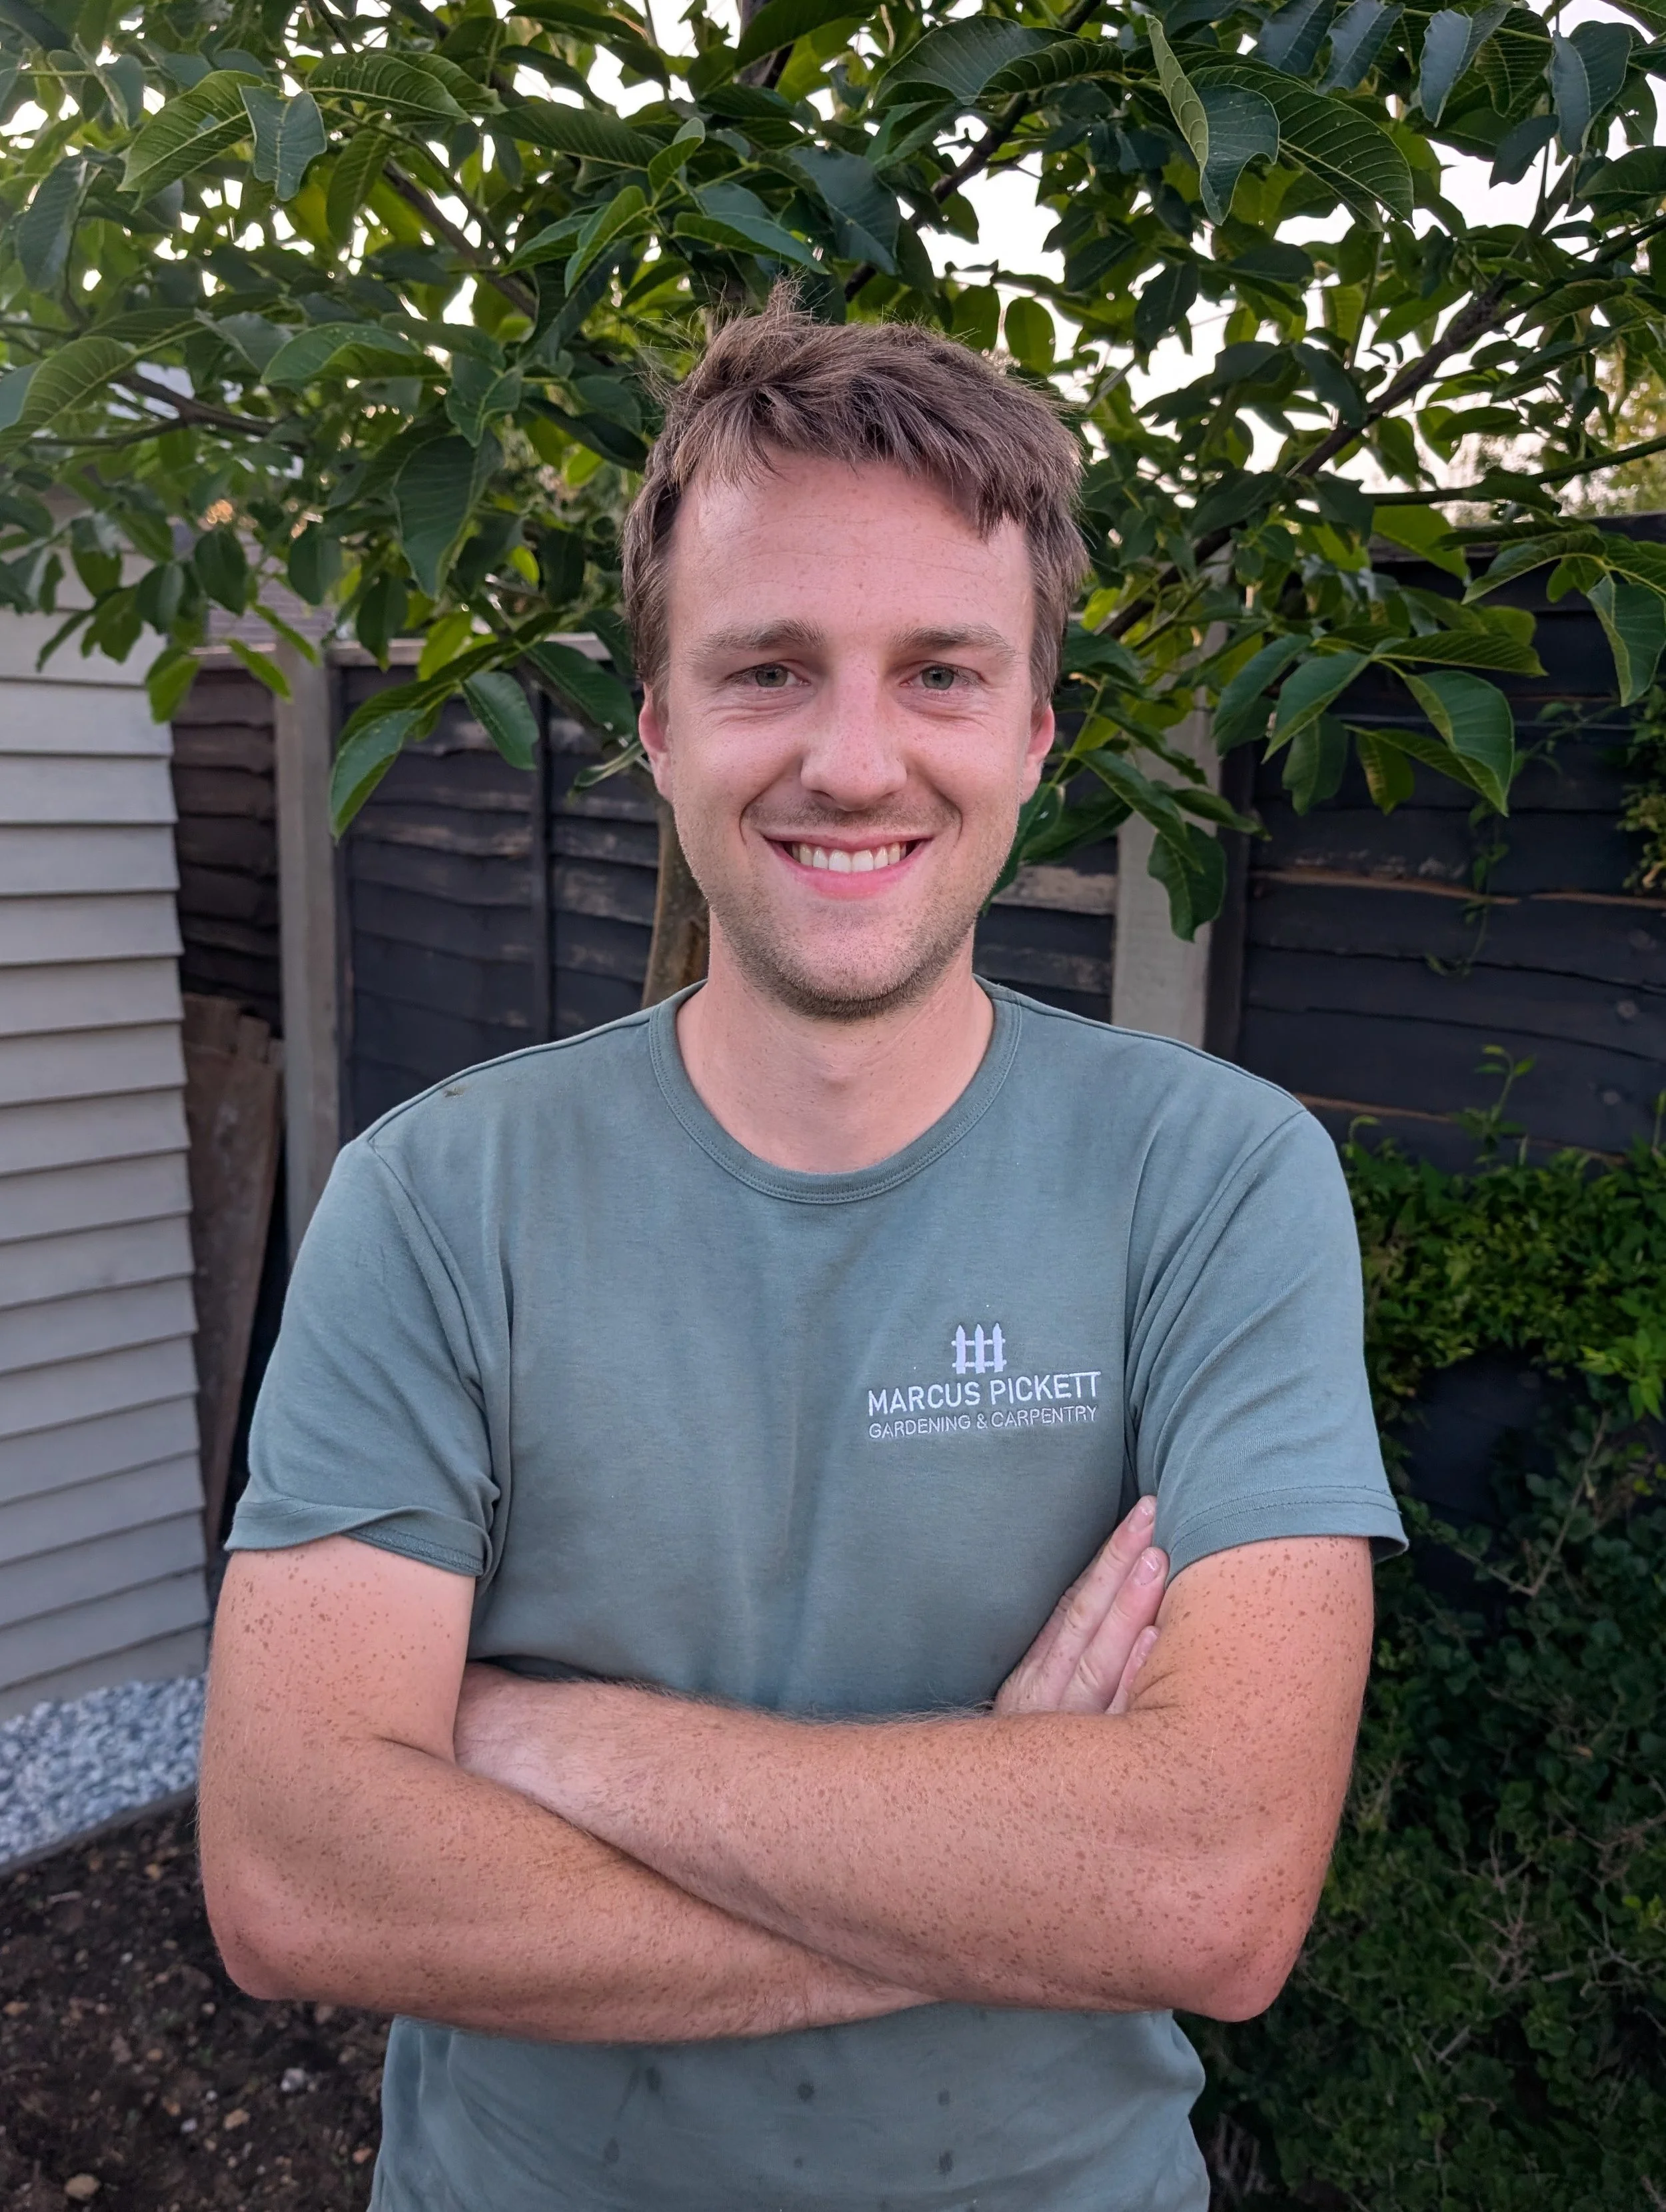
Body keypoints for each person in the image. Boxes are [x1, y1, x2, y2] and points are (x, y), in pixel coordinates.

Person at [199, 293, 1405, 2212]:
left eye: (938, 672)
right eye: (770, 669)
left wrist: (548, 1742)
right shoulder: (435, 1197)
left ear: (1033, 731)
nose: (854, 760)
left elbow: (1205, 1887)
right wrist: (1010, 1862)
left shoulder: (1211, 1179)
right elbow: (297, 1874)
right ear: (659, 724)